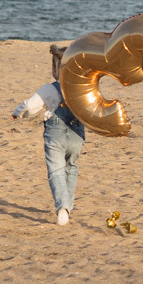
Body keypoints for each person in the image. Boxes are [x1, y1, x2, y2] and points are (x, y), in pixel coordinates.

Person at [11, 43, 87, 225]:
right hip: (77, 133)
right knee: (71, 167)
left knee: (56, 171)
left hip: (55, 133)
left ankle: (62, 208)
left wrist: (18, 113)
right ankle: (68, 205)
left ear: (56, 68)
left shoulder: (49, 89)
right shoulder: (83, 89)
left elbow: (30, 106)